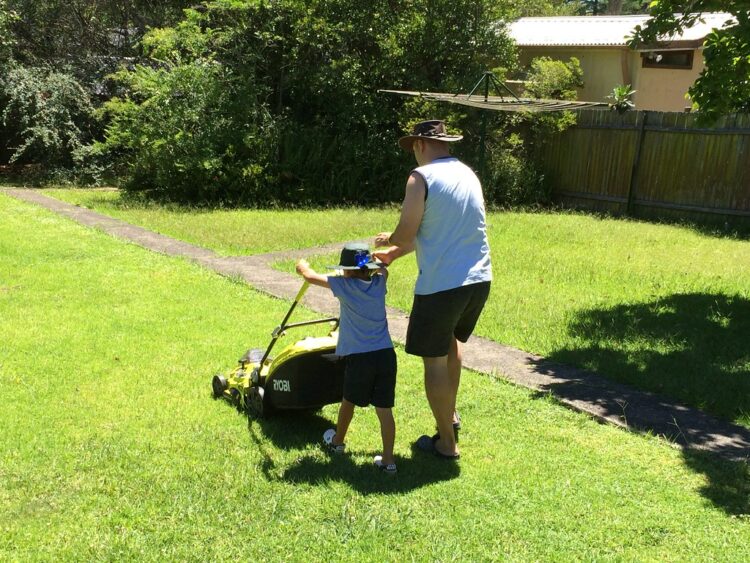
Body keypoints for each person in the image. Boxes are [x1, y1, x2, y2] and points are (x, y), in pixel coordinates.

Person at [373, 119, 491, 460]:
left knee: (434, 361)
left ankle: (446, 445)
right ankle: (448, 418)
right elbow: (437, 231)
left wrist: (389, 240)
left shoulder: (420, 177)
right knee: (452, 344)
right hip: (478, 281)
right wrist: (395, 254)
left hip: (442, 286)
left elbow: (408, 231)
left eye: (413, 147)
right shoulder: (467, 174)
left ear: (420, 145)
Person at [295, 243, 398, 474]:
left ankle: (337, 442)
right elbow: (383, 269)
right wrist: (375, 262)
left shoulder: (344, 286)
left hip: (360, 358)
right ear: (368, 267)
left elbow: (310, 277)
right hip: (386, 356)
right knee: (384, 409)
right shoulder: (379, 282)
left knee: (348, 401)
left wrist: (302, 266)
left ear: (348, 271)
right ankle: (389, 461)